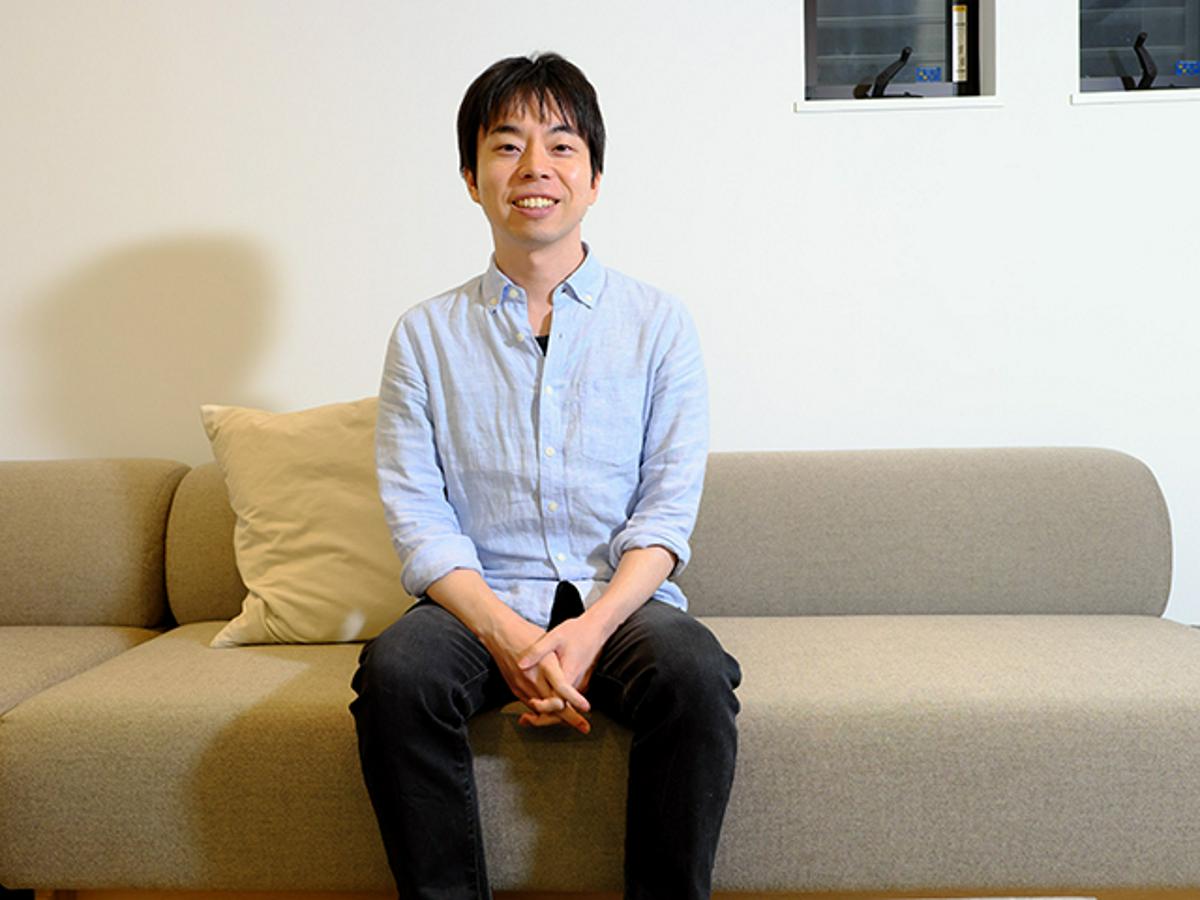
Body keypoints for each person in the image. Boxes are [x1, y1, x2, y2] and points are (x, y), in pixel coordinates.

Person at [349, 52, 742, 900]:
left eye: (562, 146)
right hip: (477, 603)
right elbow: (419, 519)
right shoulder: (423, 336)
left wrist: (590, 632)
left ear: (594, 179)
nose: (535, 167)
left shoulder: (659, 325)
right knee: (397, 674)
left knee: (695, 675)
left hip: (617, 603)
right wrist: (509, 637)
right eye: (506, 145)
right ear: (471, 178)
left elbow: (665, 513)